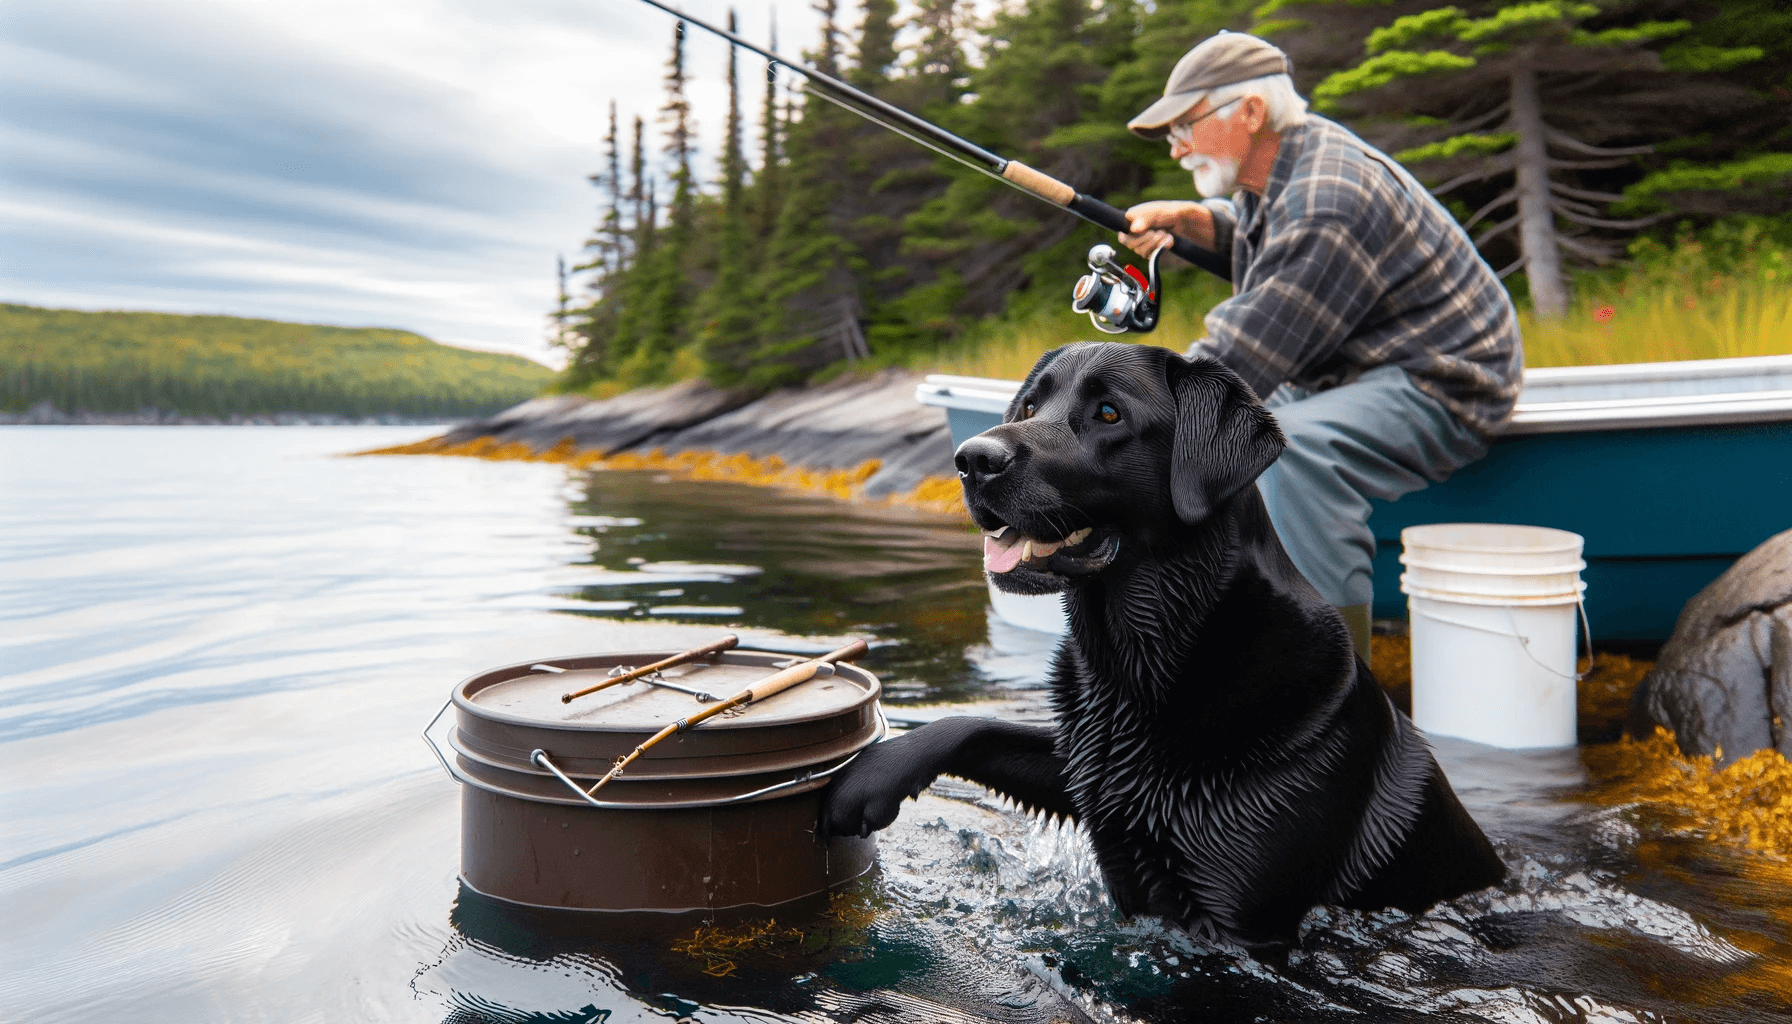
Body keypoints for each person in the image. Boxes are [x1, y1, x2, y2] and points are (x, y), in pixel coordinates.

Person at [1118, 31, 1523, 662]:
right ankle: (1256, 630)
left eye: (1185, 128)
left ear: (1249, 113)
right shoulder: (1284, 165)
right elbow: (1289, 262)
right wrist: (1207, 228)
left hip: (1444, 382)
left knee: (1285, 448)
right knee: (1235, 430)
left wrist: (1114, 415)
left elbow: (1237, 358)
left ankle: (1333, 695)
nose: (1177, 150)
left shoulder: (1327, 198)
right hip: (1363, 368)